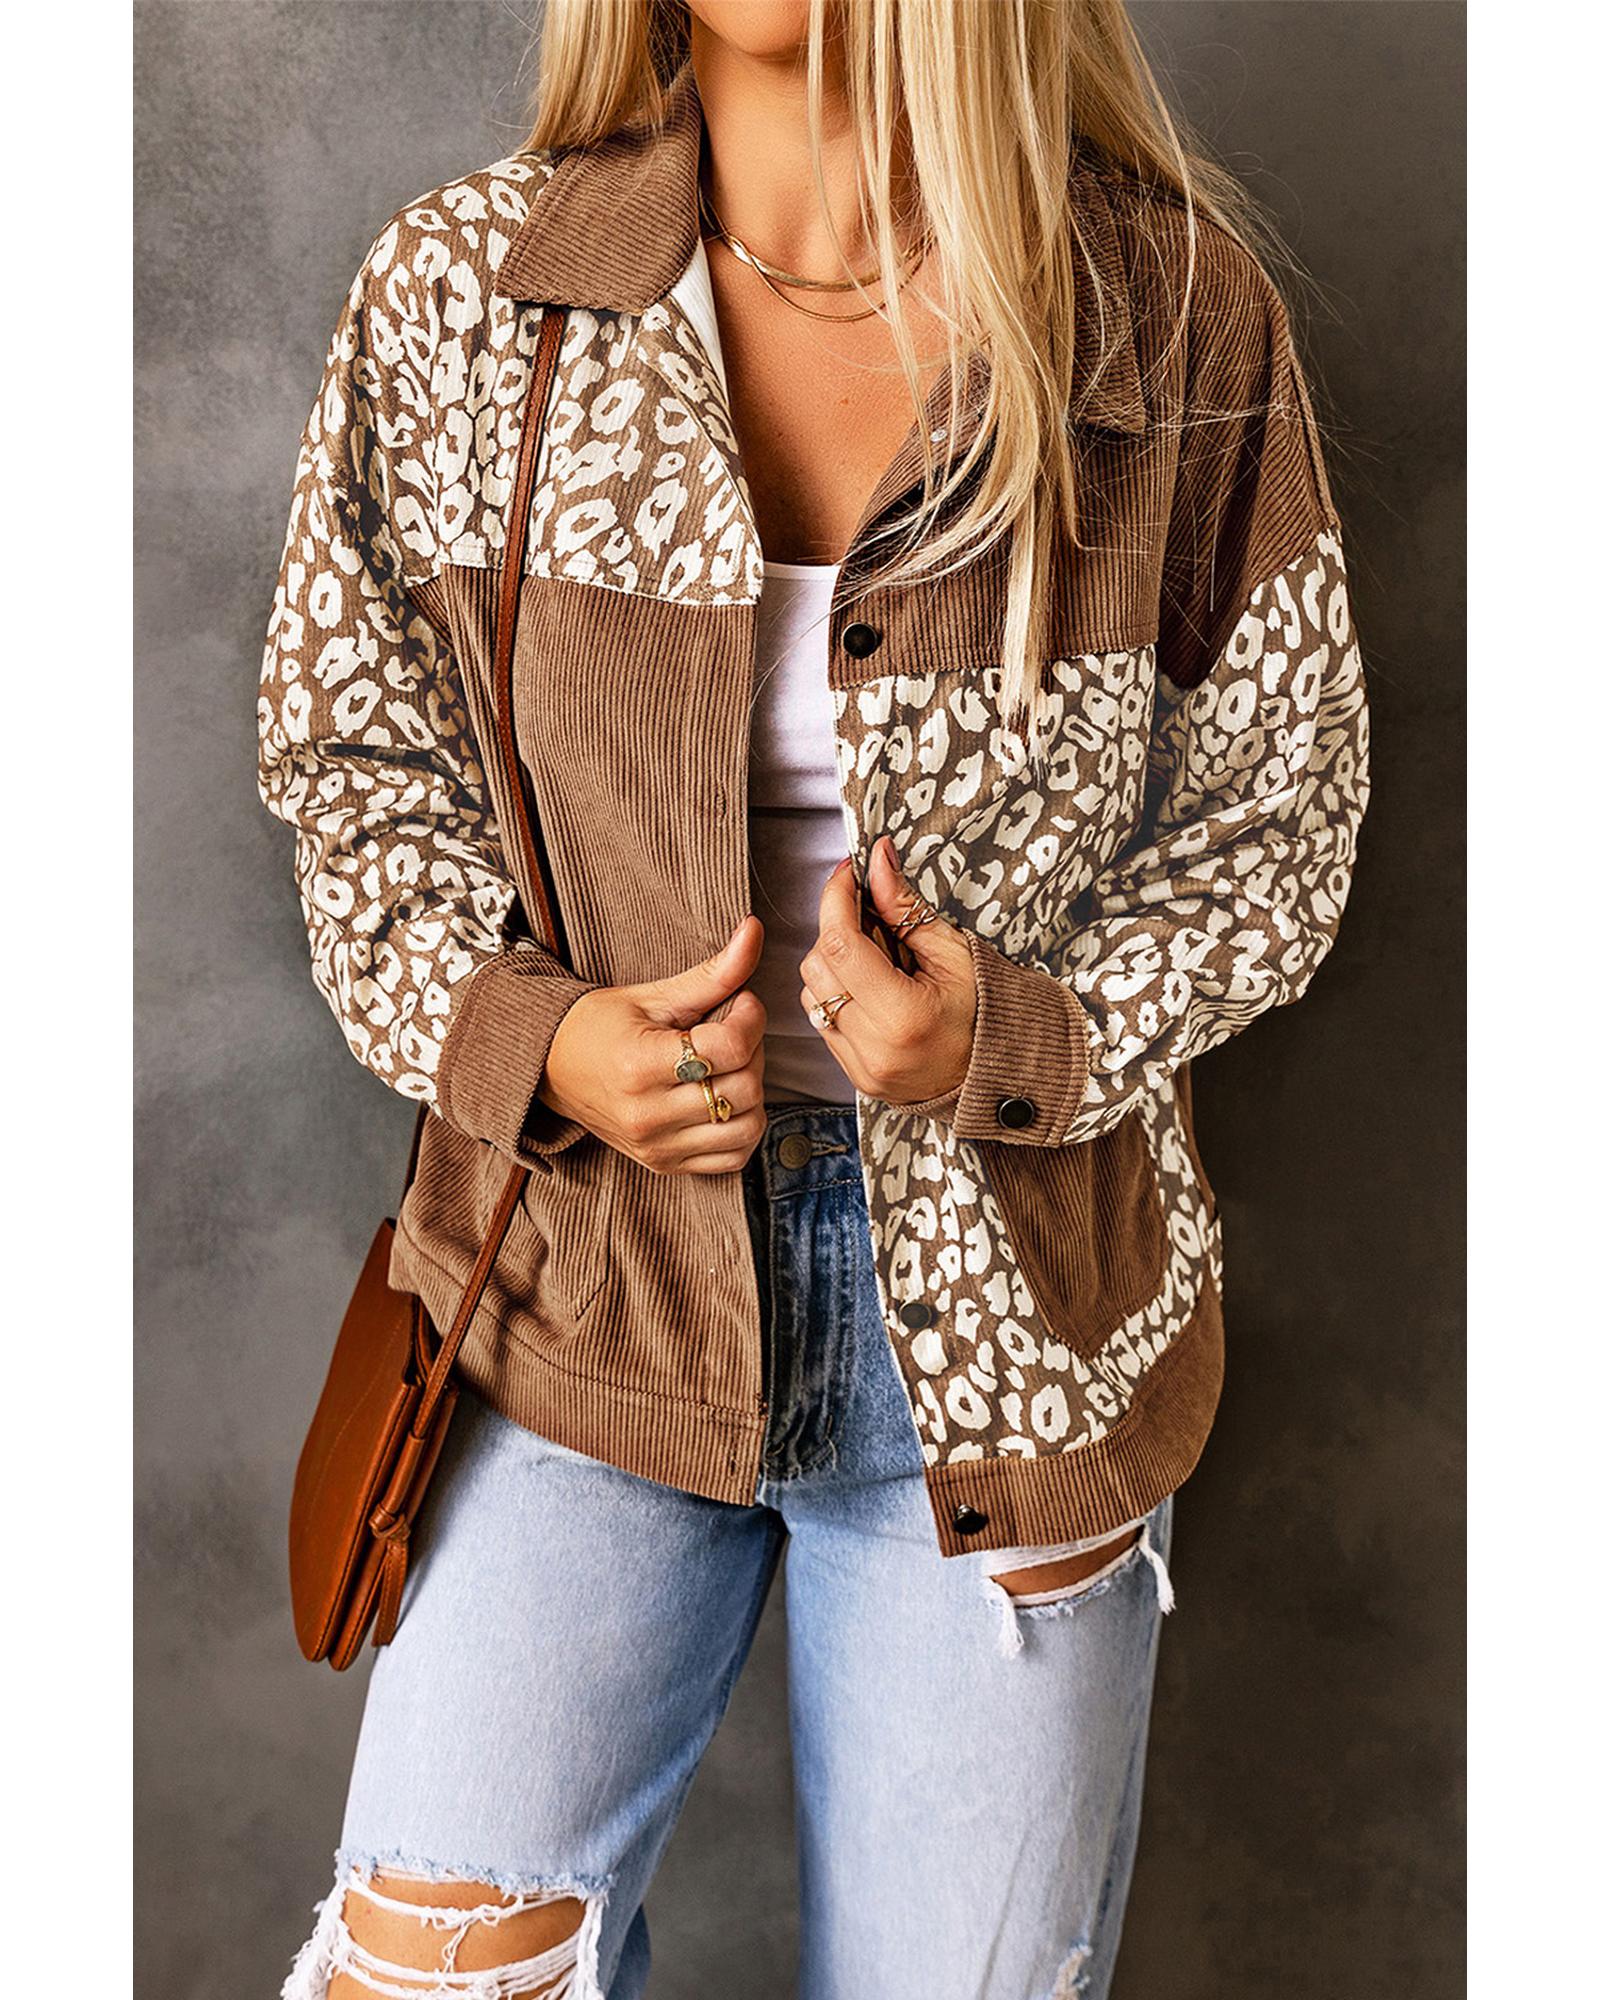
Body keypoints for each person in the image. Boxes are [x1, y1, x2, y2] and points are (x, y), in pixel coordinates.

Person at [259, 2, 1371, 1994]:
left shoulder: (1166, 317)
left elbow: (1278, 813)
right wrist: (542, 1043)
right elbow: (355, 770)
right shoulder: (469, 294)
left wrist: (1012, 1039)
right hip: (579, 1293)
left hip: (1015, 1346)